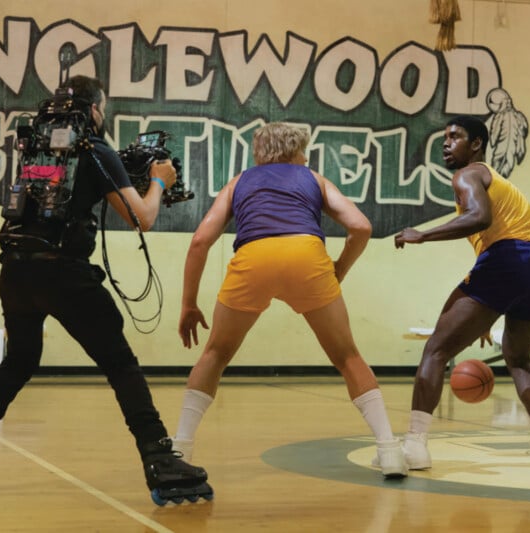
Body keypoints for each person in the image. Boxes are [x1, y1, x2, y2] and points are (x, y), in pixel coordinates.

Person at [0, 75, 211, 503]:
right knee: (121, 365)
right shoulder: (94, 149)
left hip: (15, 272)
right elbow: (141, 217)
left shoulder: (34, 149)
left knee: (20, 360)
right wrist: (158, 181)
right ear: (93, 109)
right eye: (102, 107)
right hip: (65, 275)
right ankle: (161, 461)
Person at [173, 122, 407, 479]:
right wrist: (339, 269)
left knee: (215, 354)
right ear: (298, 152)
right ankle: (390, 451)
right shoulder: (313, 178)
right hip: (306, 255)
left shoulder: (239, 181)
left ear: (258, 152)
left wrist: (188, 303)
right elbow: (360, 227)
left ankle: (181, 450)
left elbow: (200, 241)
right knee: (347, 357)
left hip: (254, 257)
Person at [394, 115, 530, 468]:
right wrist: (488, 311)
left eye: (455, 136)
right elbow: (501, 241)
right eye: (444, 137)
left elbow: (480, 218)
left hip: (506, 261)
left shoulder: (468, 174)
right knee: (517, 358)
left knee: (436, 349)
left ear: (476, 144)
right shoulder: (497, 180)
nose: (446, 143)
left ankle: (415, 445)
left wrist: (423, 235)